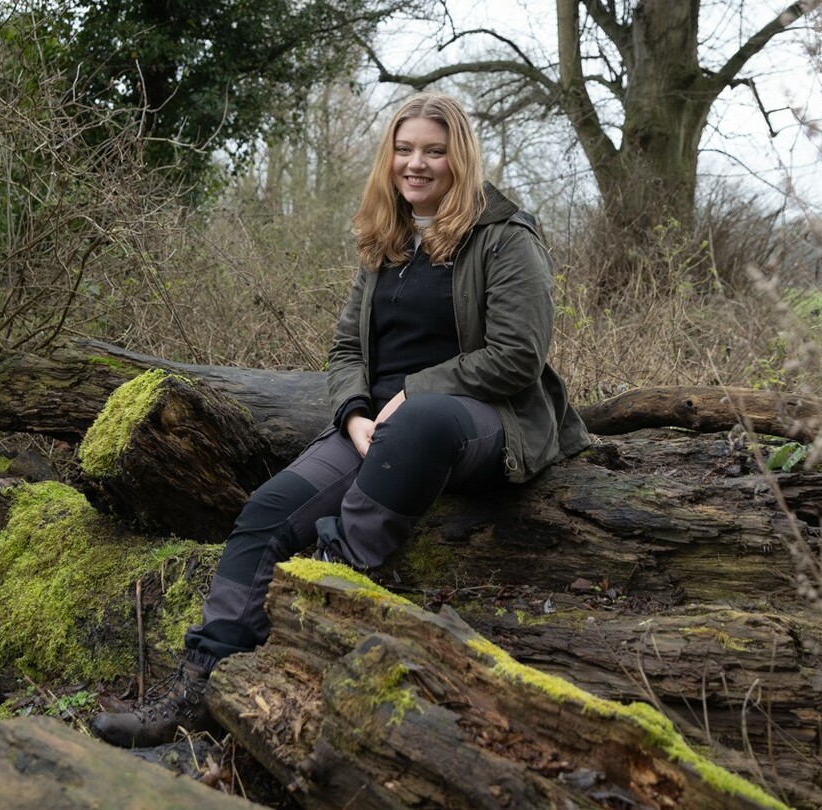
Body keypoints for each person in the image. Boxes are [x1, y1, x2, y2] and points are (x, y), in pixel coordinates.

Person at [90, 92, 591, 748]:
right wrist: (354, 413)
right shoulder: (385, 238)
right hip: (378, 432)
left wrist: (413, 393)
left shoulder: (504, 236)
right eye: (404, 149)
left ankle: (328, 584)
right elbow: (346, 350)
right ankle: (199, 685)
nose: (417, 163)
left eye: (434, 151)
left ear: (459, 157)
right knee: (266, 512)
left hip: (480, 423)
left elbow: (518, 356)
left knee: (422, 423)